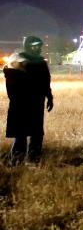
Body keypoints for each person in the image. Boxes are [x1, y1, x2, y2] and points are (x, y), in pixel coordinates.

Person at [3, 35, 53, 164]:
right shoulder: (18, 59)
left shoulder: (41, 62)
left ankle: (34, 160)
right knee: (21, 134)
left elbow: (45, 82)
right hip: (21, 103)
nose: (36, 48)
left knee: (37, 133)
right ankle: (16, 161)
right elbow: (11, 78)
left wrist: (49, 97)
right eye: (33, 46)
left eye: (38, 46)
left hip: (37, 102)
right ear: (27, 46)